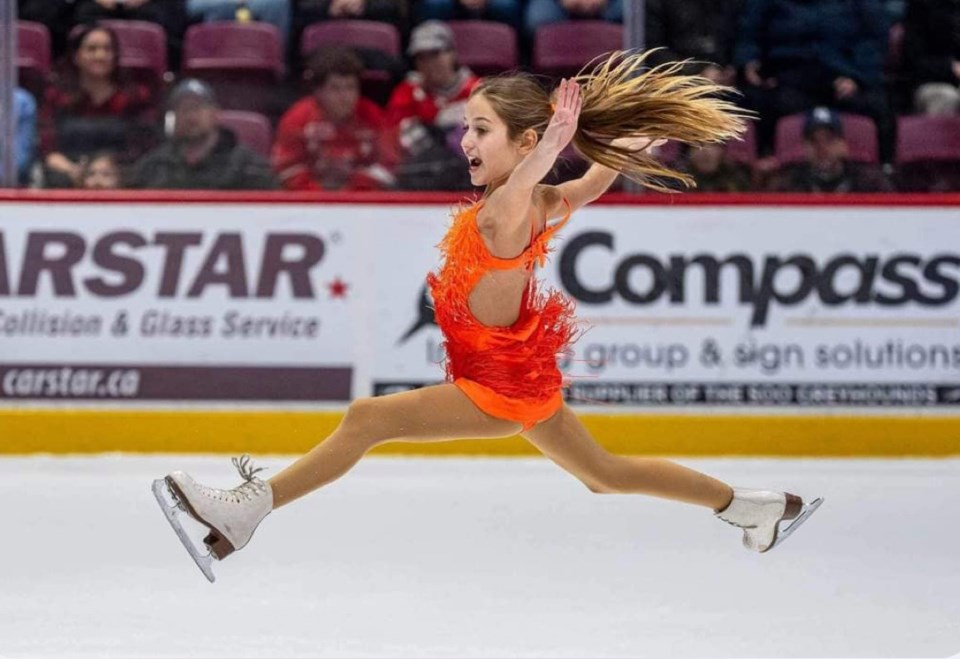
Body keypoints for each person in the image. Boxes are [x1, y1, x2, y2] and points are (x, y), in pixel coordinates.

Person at [155, 52, 822, 577]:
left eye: (481, 130)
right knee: (604, 474)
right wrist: (630, 146)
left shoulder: (509, 208)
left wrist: (557, 139)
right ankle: (751, 506)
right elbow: (587, 184)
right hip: (516, 375)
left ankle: (247, 511)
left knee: (367, 418)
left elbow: (543, 177)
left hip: (499, 386)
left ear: (524, 140)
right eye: (466, 128)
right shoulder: (533, 202)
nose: (466, 141)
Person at [733, 0, 895, 165]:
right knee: (759, 103)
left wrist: (857, 77)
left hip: (843, 73)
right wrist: (750, 60)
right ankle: (767, 169)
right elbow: (750, 31)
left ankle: (884, 169)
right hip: (789, 72)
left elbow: (874, 37)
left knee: (878, 106)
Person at [38, 23, 158, 188]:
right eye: (92, 49)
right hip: (68, 176)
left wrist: (108, 170)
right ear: (76, 56)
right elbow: (47, 148)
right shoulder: (58, 97)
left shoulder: (135, 97)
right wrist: (74, 171)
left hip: (122, 177)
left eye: (107, 49)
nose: (100, 55)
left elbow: (145, 147)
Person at [273, 47, 399, 191]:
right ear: (318, 91)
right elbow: (287, 168)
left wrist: (353, 193)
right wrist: (319, 197)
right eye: (335, 88)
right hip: (308, 203)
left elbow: (387, 165)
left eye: (351, 87)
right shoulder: (296, 119)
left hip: (362, 202)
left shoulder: (373, 116)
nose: (345, 97)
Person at [130, 79, 278, 190]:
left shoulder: (247, 165)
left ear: (215, 114)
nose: (190, 116)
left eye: (198, 107)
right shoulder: (153, 166)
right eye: (183, 109)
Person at [388, 21, 479, 190]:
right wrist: (438, 124)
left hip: (469, 182)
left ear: (452, 53)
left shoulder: (479, 91)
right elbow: (397, 142)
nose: (429, 63)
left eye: (435, 54)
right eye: (422, 57)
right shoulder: (406, 92)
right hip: (420, 179)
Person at [765, 107, 894, 193]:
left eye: (829, 140)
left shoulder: (869, 182)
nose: (822, 148)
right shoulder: (787, 184)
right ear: (804, 147)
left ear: (843, 144)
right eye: (814, 141)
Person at [902, 0, 960, 116]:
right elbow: (914, 62)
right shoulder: (922, 6)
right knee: (945, 96)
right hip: (932, 82)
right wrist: (951, 68)